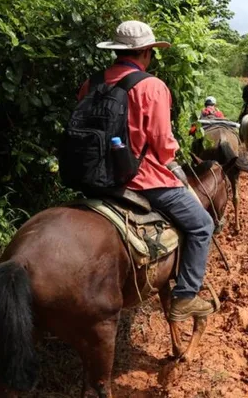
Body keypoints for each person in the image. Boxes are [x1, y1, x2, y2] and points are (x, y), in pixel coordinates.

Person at [80, 20, 216, 321]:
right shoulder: (151, 86)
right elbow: (162, 143)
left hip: (93, 179)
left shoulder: (91, 83)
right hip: (143, 180)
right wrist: (171, 159)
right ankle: (185, 296)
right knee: (202, 224)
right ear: (145, 53)